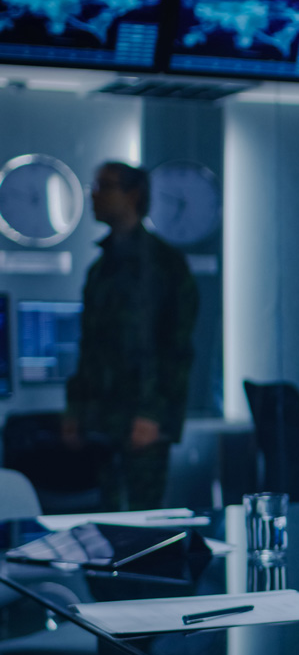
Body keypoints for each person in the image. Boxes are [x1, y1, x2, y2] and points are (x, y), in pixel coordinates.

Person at [64, 162, 199, 511]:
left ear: (133, 194)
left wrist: (153, 415)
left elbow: (175, 347)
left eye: (104, 186)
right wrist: (76, 411)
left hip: (143, 417)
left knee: (144, 522)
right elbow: (89, 345)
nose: (94, 195)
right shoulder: (101, 267)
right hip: (102, 418)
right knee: (106, 521)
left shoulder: (164, 264)